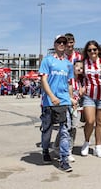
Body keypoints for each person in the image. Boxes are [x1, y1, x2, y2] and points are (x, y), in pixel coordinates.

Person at [39, 35, 74, 172]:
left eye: (64, 42)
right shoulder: (47, 61)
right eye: (59, 42)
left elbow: (69, 83)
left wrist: (72, 98)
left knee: (65, 131)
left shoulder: (68, 64)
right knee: (47, 130)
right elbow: (43, 80)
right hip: (49, 102)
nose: (61, 44)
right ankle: (45, 150)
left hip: (64, 102)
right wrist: (51, 96)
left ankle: (64, 159)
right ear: (54, 44)